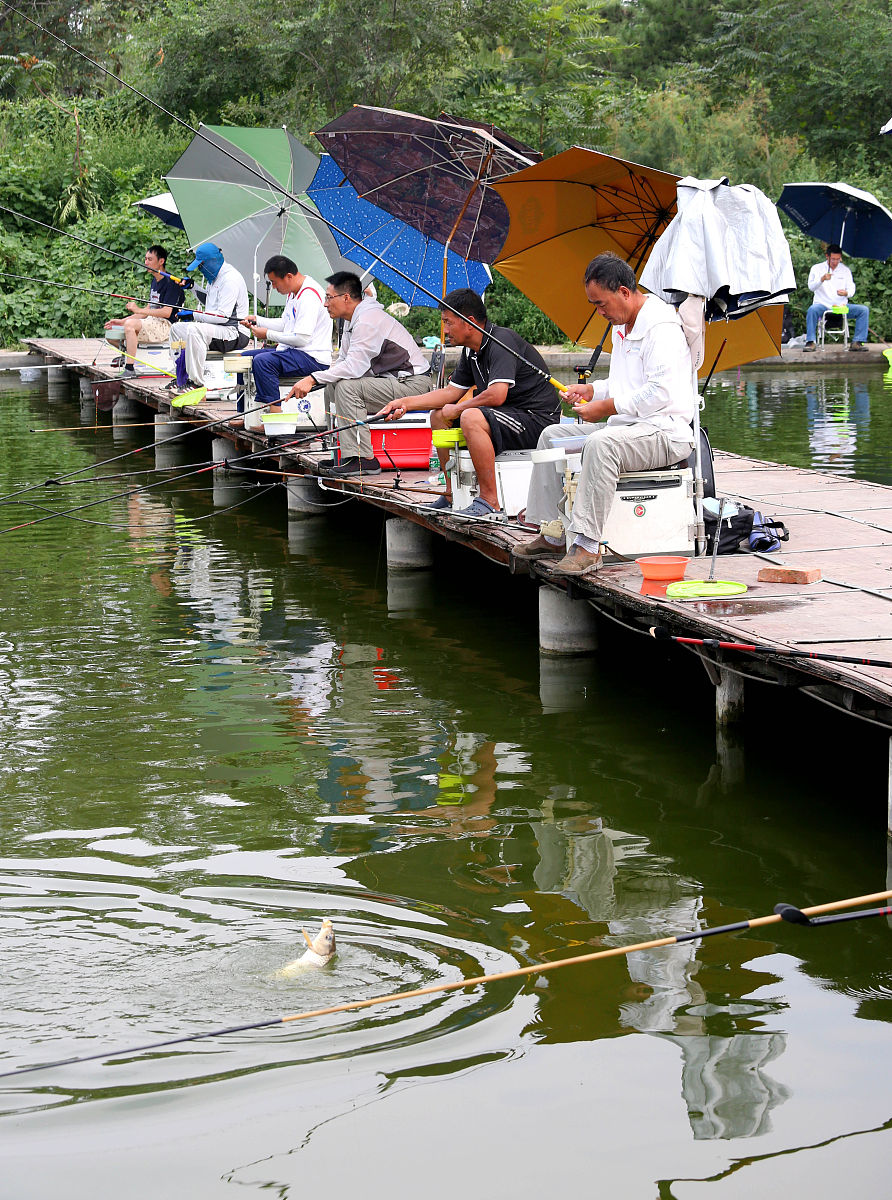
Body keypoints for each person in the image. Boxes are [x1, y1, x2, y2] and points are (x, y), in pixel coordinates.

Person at [514, 253, 697, 576]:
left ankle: (586, 546)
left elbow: (660, 393)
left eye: (601, 304)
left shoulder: (662, 328)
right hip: (629, 427)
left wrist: (606, 407)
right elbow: (623, 384)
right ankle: (553, 532)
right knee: (551, 436)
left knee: (601, 443)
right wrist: (594, 392)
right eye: (594, 305)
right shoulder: (623, 326)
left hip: (665, 433)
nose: (600, 312)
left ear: (625, 292)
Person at [376, 288, 561, 517]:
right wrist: (405, 403)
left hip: (537, 420)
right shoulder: (470, 351)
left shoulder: (501, 341)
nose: (444, 331)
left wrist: (460, 408)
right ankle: (450, 493)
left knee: (470, 416)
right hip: (509, 416)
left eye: (448, 322)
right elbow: (451, 392)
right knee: (438, 416)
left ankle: (489, 500)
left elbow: (497, 395)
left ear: (469, 322)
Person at [283, 272, 432, 478]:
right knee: (333, 386)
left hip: (413, 385)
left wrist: (312, 378)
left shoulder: (368, 320)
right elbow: (344, 361)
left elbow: (354, 368)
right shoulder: (350, 320)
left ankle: (363, 459)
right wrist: (319, 380)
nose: (325, 304)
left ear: (346, 298)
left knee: (347, 387)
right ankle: (342, 453)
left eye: (328, 297)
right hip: (390, 382)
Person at [240, 255, 332, 411]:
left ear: (289, 276)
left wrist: (267, 334)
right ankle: (246, 414)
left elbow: (301, 339)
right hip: (296, 352)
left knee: (263, 362)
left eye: (274, 282)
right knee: (243, 360)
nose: (274, 287)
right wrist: (258, 320)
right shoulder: (293, 292)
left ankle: (275, 415)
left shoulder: (308, 296)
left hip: (312, 357)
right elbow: (285, 323)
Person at [167, 242, 249, 391]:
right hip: (217, 330)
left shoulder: (230, 279)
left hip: (234, 333)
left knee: (194, 330)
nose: (199, 270)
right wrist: (193, 288)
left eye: (200, 266)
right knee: (176, 329)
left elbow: (223, 317)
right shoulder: (215, 277)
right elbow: (210, 302)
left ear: (211, 261)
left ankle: (195, 383)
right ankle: (181, 376)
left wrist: (194, 315)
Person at [104, 245, 185, 374]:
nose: (146, 262)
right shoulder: (154, 281)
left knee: (130, 325)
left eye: (150, 259)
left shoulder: (171, 283)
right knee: (111, 331)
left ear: (161, 261)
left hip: (167, 326)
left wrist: (138, 311)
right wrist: (121, 321)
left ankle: (130, 368)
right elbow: (149, 308)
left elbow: (166, 312)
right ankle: (128, 357)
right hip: (152, 322)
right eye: (146, 259)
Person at [804, 244, 869, 351]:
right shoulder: (817, 268)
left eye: (838, 259)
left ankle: (857, 342)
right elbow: (811, 287)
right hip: (822, 305)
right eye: (833, 259)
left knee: (863, 310)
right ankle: (810, 342)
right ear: (827, 256)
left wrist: (846, 293)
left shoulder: (845, 270)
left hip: (841, 306)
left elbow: (852, 288)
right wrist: (822, 279)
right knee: (812, 310)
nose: (835, 262)